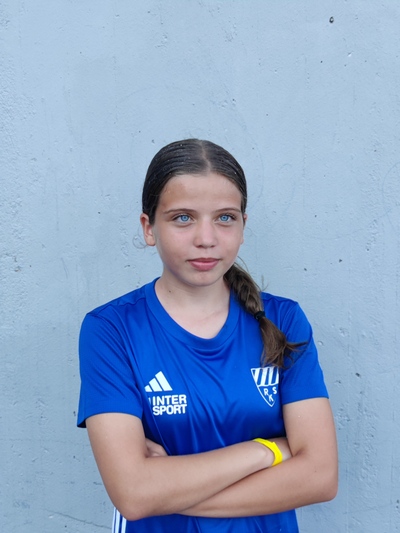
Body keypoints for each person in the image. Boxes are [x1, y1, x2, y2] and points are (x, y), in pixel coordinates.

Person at [77, 139, 338, 532]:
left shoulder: (284, 319)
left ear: (243, 226)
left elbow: (320, 476)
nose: (206, 238)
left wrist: (165, 490)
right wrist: (267, 450)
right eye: (183, 218)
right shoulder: (112, 329)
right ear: (149, 228)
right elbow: (133, 494)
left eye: (225, 218)